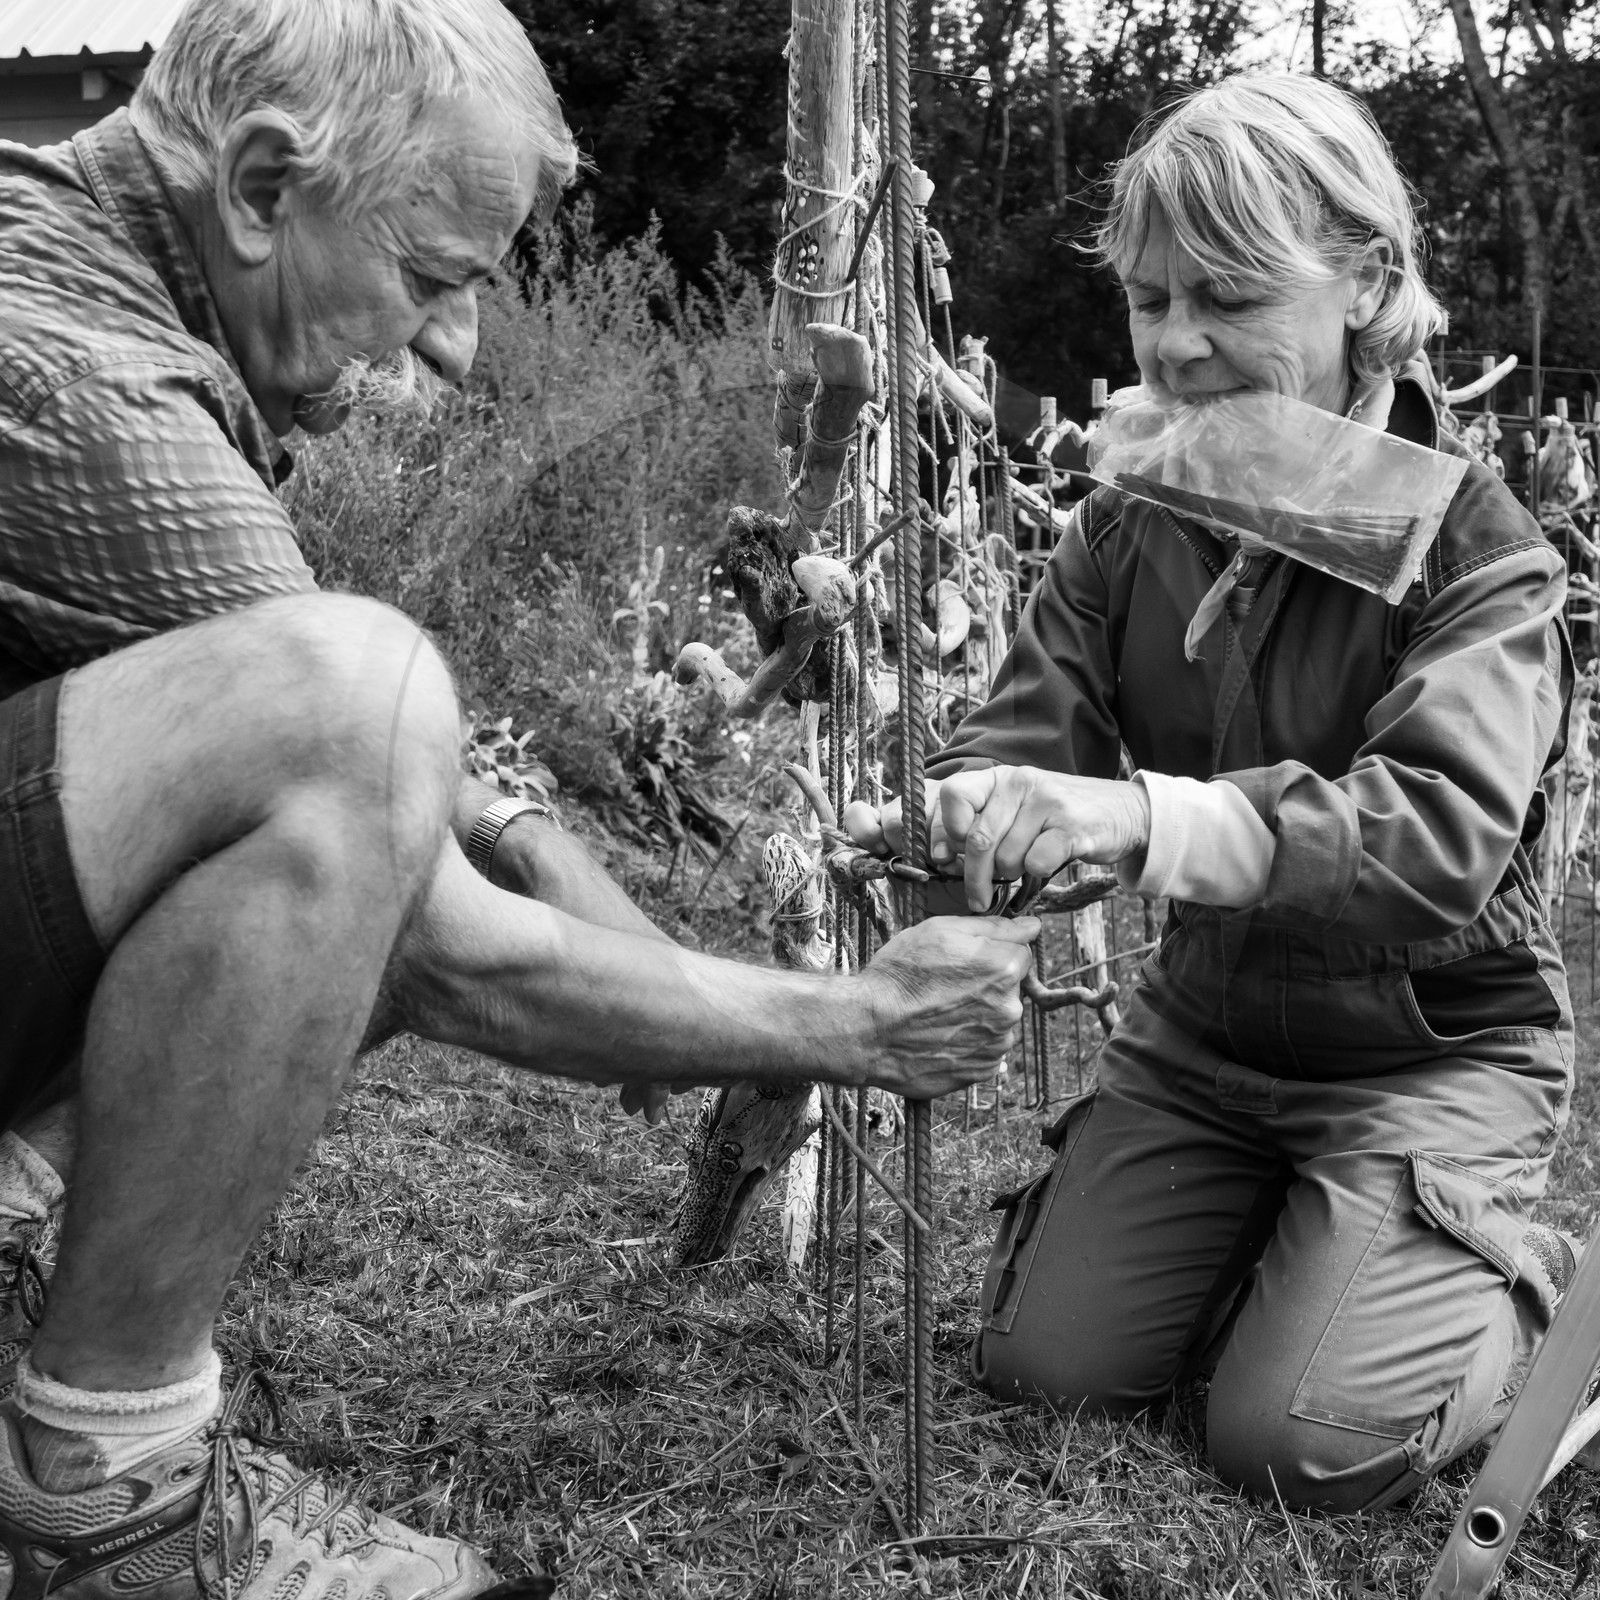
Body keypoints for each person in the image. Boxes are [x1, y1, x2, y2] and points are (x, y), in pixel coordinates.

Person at [0, 2, 1037, 1595]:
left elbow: (333, 756)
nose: (458, 347)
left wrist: (533, 836)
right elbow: (396, 889)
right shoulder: (82, 385)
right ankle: (108, 1498)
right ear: (267, 186)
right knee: (351, 708)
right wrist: (858, 1028)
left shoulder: (102, 286)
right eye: (431, 280)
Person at [847, 74, 1578, 1514]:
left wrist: (1144, 820)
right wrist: (961, 817)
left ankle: (1513, 1278)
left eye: (1229, 298)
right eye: (1149, 298)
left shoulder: (1484, 554)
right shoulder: (1135, 516)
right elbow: (1020, 741)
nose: (1175, 348)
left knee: (1298, 1446)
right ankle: (1301, 1245)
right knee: (1045, 1367)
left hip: (1430, 1056)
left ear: (1367, 281)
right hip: (1206, 1039)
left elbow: (1433, 832)